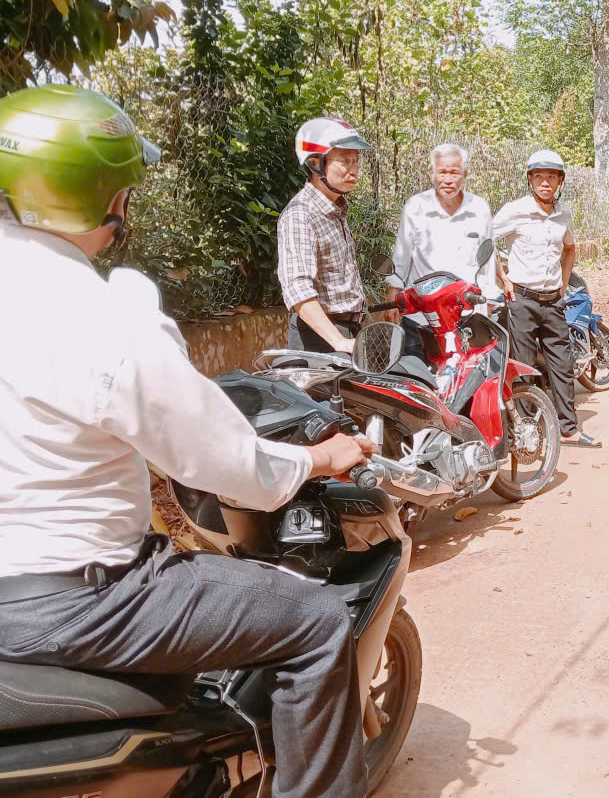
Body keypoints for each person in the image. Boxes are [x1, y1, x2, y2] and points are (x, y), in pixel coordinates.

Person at [0, 85, 374, 798]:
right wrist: (319, 457)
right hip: (80, 601)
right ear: (106, 200)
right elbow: (227, 464)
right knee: (319, 621)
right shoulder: (103, 317)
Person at [493, 149, 600, 448]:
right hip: (522, 301)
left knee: (562, 365)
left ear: (560, 181)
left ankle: (568, 429)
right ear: (530, 180)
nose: (545, 182)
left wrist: (564, 285)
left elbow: (570, 247)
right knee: (523, 368)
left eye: (551, 176)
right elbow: (485, 240)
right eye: (538, 176)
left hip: (553, 301)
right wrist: (503, 278)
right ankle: (528, 432)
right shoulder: (516, 210)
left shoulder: (564, 213)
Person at [388, 142, 498, 359]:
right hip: (421, 317)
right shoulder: (416, 207)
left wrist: (488, 303)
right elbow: (402, 255)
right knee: (416, 374)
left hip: (466, 317)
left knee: (467, 376)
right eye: (442, 172)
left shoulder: (479, 209)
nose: (448, 179)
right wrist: (393, 294)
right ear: (432, 174)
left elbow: (487, 263)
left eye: (454, 172)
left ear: (465, 175)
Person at [277, 116, 372, 354]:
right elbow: (298, 290)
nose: (354, 170)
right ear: (315, 163)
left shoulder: (335, 209)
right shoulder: (301, 214)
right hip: (319, 339)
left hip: (347, 332)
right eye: (345, 161)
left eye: (356, 161)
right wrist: (338, 341)